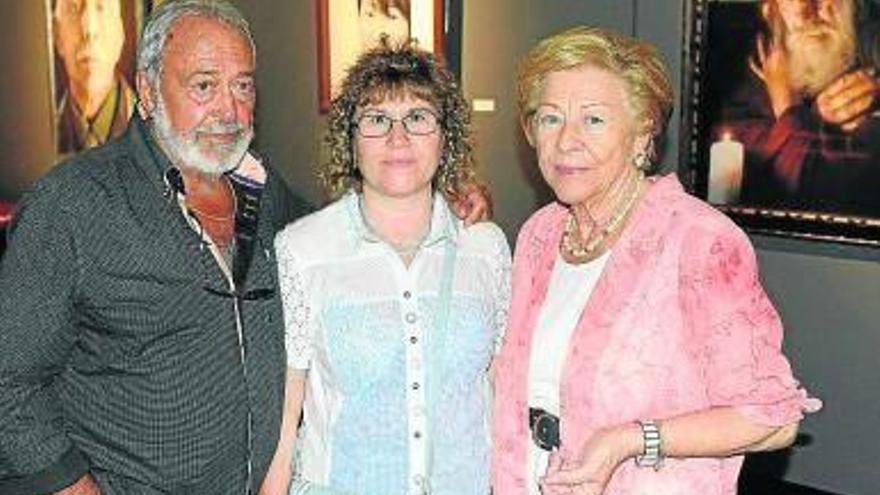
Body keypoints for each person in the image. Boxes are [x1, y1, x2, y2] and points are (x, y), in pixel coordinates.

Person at [0, 1, 489, 492]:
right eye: (204, 86)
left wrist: (436, 198)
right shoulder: (73, 204)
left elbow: (350, 230)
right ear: (148, 92)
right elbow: (10, 381)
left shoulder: (263, 190)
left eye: (243, 86)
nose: (229, 111)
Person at [492, 26, 821, 495]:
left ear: (642, 134)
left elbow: (773, 419)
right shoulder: (539, 235)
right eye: (550, 118)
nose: (566, 140)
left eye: (593, 119)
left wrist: (631, 440)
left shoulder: (699, 242)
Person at [264, 43, 510, 495]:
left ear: (445, 138)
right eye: (377, 120)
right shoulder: (303, 251)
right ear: (350, 140)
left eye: (418, 117)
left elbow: (502, 390)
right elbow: (285, 412)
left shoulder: (486, 249)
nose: (398, 138)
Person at [717, 0, 880, 214]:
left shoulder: (871, 71)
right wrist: (788, 108)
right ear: (769, 10)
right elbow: (802, 195)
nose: (809, 9)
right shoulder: (740, 105)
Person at [52, 0, 136, 154]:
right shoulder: (27, 138)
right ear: (57, 36)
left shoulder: (161, 135)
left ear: (120, 33)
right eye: (73, 8)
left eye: (101, 8)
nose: (89, 29)